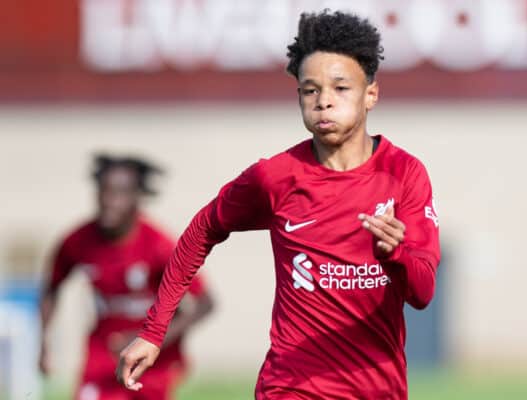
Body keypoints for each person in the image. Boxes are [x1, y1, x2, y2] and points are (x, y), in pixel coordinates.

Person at [117, 10, 440, 400]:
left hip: (376, 388)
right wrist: (154, 331)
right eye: (310, 90)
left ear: (370, 94)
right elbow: (202, 230)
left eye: (340, 88)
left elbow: (422, 294)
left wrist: (396, 254)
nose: (323, 102)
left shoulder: (403, 173)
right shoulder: (276, 177)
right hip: (290, 387)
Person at [39, 154, 214, 400]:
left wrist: (155, 338)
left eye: (120, 193)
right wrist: (43, 342)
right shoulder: (78, 242)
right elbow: (52, 287)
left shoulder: (158, 245)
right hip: (103, 354)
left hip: (151, 361)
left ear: (136, 198)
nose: (110, 201)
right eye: (104, 191)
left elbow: (205, 303)